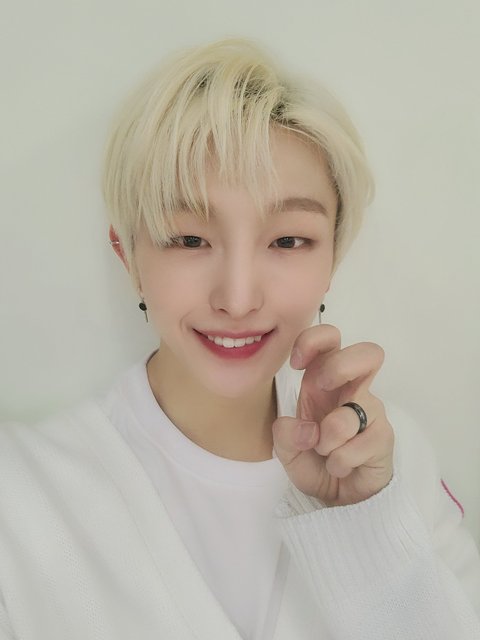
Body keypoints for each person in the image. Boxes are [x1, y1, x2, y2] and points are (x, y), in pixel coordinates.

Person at [1, 38, 479, 640]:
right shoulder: (20, 495)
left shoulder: (389, 461)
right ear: (128, 256)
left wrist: (367, 525)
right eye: (189, 239)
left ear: (333, 256)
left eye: (288, 241)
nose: (238, 298)